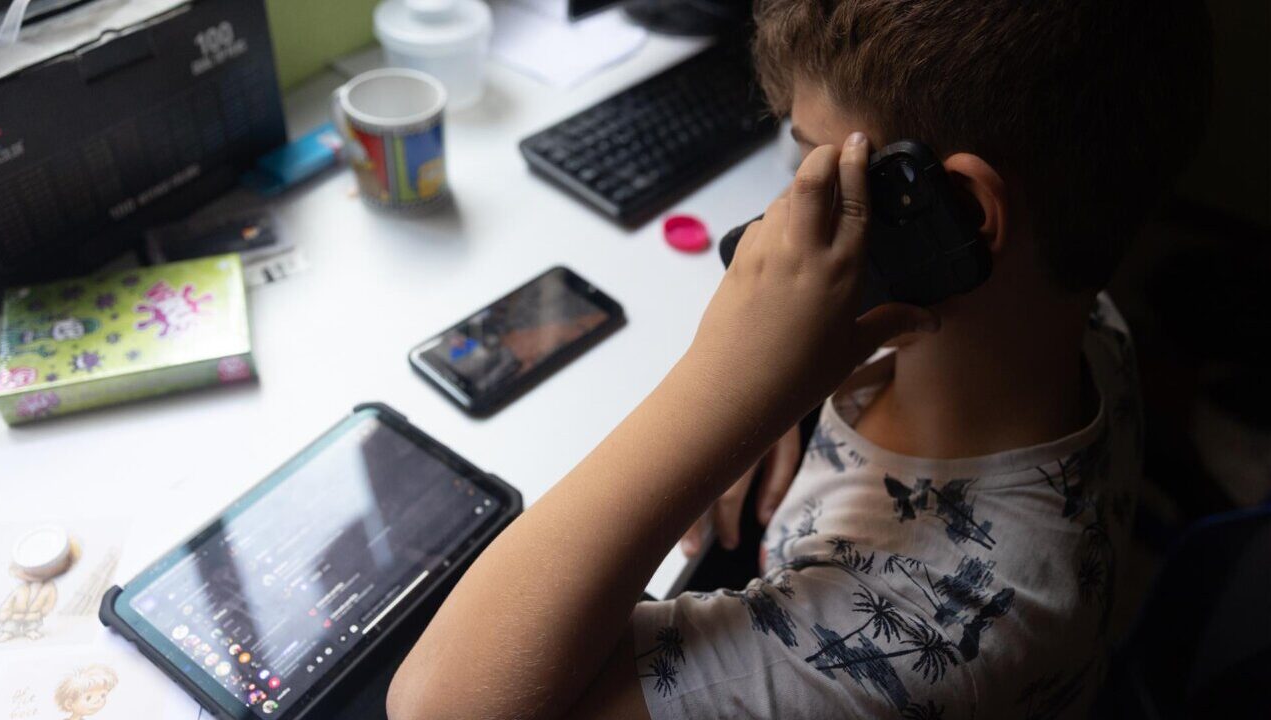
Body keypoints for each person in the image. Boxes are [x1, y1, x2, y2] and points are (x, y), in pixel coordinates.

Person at [385, 1, 1212, 718]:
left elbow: (441, 702)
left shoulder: (924, 637)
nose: (783, 212)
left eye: (819, 166)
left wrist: (724, 392)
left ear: (962, 212)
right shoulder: (1084, 321)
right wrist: (793, 394)